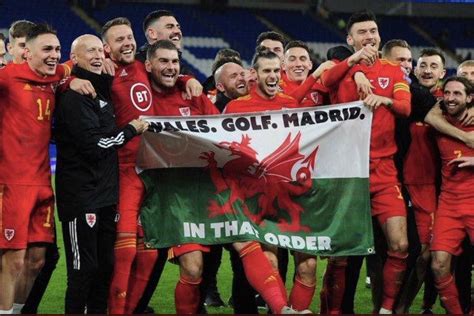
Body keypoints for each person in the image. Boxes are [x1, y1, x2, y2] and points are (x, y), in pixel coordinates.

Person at [322, 10, 411, 314]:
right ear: (350, 39)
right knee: (341, 255)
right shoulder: (339, 68)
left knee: (399, 245)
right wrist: (355, 65)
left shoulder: (394, 70)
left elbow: (405, 107)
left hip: (384, 172)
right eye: (362, 32)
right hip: (348, 173)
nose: (370, 36)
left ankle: (385, 310)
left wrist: (384, 100)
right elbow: (327, 78)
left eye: (373, 31)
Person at [0, 23, 93, 314]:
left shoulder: (56, 75)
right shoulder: (7, 77)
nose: (54, 55)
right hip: (11, 183)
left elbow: (68, 67)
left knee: (38, 260)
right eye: (47, 49)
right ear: (26, 53)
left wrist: (71, 79)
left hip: (43, 183)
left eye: (57, 49)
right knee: (13, 260)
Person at [54, 34, 149, 314]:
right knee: (83, 269)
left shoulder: (100, 90)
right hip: (82, 197)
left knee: (105, 266)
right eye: (89, 51)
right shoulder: (74, 96)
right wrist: (131, 130)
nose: (97, 56)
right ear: (76, 59)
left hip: (106, 196)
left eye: (99, 50)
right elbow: (96, 146)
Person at [430, 76, 474, 314]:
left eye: (457, 94)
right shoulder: (438, 120)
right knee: (438, 265)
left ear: (469, 98)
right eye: (447, 93)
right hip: (449, 204)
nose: (450, 98)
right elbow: (427, 114)